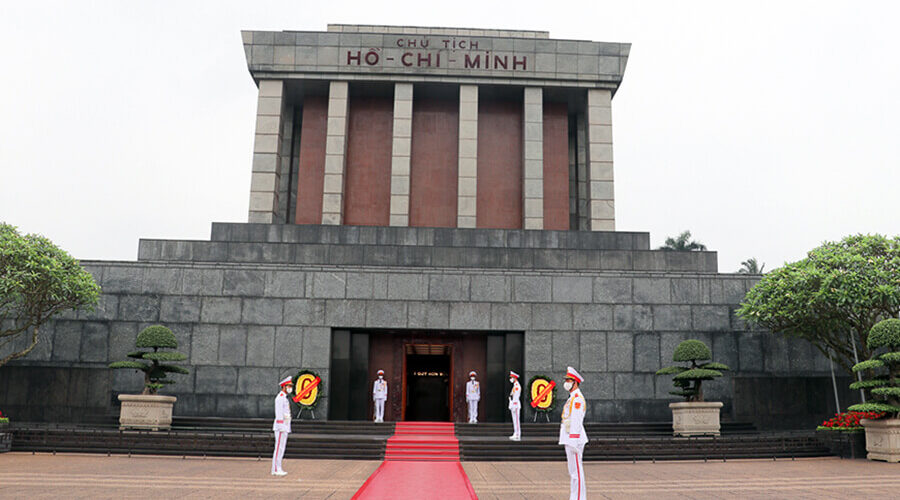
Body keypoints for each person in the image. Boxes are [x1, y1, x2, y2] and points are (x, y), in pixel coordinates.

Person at [559, 367, 588, 500]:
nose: (566, 383)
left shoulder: (577, 399)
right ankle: (575, 497)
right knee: (573, 472)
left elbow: (576, 420)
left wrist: (573, 441)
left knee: (576, 472)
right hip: (570, 438)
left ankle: (578, 498)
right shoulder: (572, 398)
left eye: (569, 380)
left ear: (575, 382)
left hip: (573, 439)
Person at [271, 376, 293, 476]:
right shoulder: (280, 398)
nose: (290, 388)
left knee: (281, 448)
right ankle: (275, 469)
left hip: (285, 426)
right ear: (284, 386)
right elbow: (279, 413)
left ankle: (278, 467)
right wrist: (281, 426)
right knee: (279, 448)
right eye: (289, 386)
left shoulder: (284, 398)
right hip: (281, 426)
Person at [508, 370, 521, 440]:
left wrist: (514, 405)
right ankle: (515, 432)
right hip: (513, 404)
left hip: (515, 405)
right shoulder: (514, 385)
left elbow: (516, 396)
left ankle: (518, 434)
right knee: (514, 420)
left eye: (511, 377)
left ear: (514, 378)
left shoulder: (517, 386)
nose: (511, 379)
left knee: (516, 420)